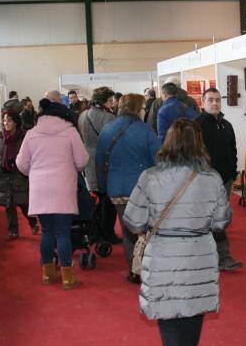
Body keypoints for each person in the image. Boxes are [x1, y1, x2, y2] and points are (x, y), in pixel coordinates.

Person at [123, 119, 231, 346]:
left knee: (169, 317)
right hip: (199, 252)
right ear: (199, 143)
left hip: (163, 253)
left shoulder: (149, 177)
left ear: (167, 142)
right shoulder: (211, 178)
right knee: (193, 312)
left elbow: (132, 220)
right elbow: (222, 221)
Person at [16, 98, 89, 289]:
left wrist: (35, 171)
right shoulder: (70, 132)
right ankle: (67, 277)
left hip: (40, 190)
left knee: (47, 233)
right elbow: (82, 160)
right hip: (63, 188)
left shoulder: (32, 134)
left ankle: (48, 273)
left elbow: (22, 164)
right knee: (63, 233)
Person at [95, 93, 160, 284]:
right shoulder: (146, 130)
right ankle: (146, 267)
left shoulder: (107, 129)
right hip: (142, 188)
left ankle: (134, 269)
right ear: (137, 108)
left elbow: (99, 161)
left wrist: (103, 186)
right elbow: (158, 160)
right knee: (147, 228)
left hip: (117, 188)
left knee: (127, 230)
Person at [195, 87, 242, 271]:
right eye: (210, 100)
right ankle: (222, 256)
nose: (215, 103)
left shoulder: (226, 124)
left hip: (226, 180)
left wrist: (233, 171)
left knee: (219, 218)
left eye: (217, 100)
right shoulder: (196, 126)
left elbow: (233, 150)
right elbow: (193, 155)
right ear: (203, 102)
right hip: (204, 181)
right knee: (208, 219)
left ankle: (219, 256)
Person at [78, 86, 120, 242]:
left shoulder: (82, 115)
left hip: (88, 158)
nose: (112, 104)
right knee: (108, 199)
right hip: (104, 159)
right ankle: (107, 232)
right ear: (103, 101)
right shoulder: (108, 118)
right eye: (110, 101)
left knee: (97, 196)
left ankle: (95, 231)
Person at [0, 110, 38, 239]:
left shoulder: (24, 136)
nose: (6, 123)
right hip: (3, 175)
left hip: (19, 175)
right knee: (8, 204)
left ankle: (33, 222)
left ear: (16, 122)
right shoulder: (0, 137)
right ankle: (13, 230)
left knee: (23, 203)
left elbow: (31, 154)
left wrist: (25, 168)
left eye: (9, 120)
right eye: (4, 120)